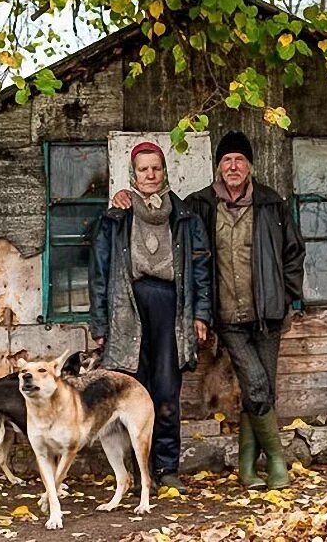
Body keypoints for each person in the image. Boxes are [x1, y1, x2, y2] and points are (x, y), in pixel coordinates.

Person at [112, 131, 305, 490]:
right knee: (256, 383)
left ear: (250, 166)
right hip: (226, 315)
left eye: (239, 160)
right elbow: (196, 259)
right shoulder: (198, 205)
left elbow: (293, 252)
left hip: (268, 314)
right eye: (226, 160)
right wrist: (204, 312)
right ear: (218, 166)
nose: (233, 166)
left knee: (262, 389)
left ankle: (247, 467)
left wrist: (286, 295)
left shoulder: (271, 203)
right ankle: (277, 462)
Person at [88, 142, 211, 493]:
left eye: (156, 168)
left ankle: (167, 469)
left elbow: (201, 269)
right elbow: (99, 272)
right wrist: (100, 323)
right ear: (134, 174)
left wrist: (201, 313)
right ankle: (139, 474)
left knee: (167, 390)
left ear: (165, 171)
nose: (150, 175)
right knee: (132, 392)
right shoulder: (116, 217)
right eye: (143, 169)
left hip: (171, 307)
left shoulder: (185, 216)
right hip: (128, 309)